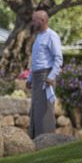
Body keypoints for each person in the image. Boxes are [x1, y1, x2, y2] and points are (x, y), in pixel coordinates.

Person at [26, 9, 63, 139]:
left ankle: (47, 140)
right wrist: (30, 78)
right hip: (36, 77)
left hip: (46, 77)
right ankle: (36, 139)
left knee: (45, 110)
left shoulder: (51, 36)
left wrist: (51, 77)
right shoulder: (38, 37)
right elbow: (36, 61)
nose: (32, 22)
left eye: (34, 20)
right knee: (36, 108)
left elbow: (58, 58)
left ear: (42, 20)